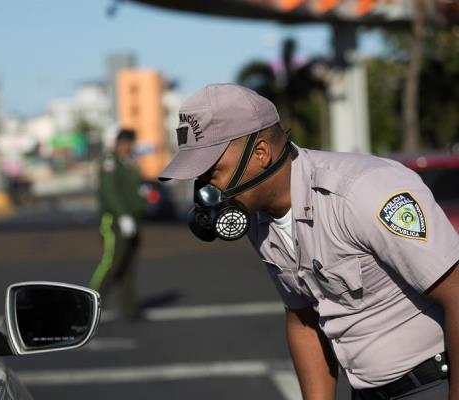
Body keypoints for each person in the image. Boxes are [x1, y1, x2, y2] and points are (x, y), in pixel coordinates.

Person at [159, 83, 459, 399]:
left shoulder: (361, 191)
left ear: (260, 153)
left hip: (435, 384)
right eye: (199, 178)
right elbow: (303, 319)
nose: (205, 192)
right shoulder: (258, 218)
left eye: (212, 173)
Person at [90, 128, 146, 321]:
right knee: (111, 264)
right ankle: (89, 309)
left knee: (128, 264)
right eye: (125, 143)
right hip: (114, 220)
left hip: (132, 219)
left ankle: (130, 309)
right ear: (118, 143)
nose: (127, 147)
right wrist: (122, 215)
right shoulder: (110, 162)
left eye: (130, 144)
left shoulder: (128, 163)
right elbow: (109, 191)